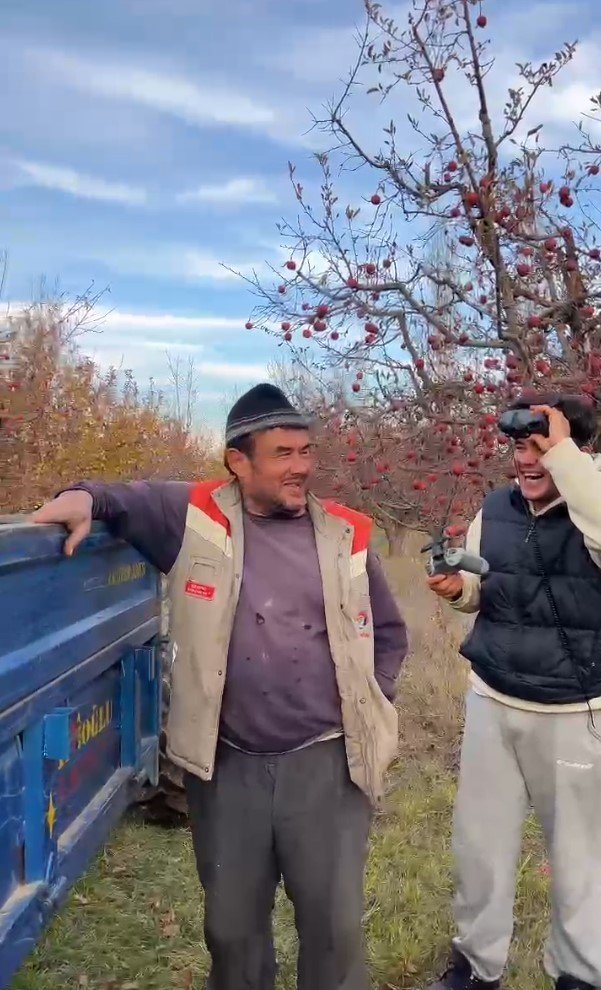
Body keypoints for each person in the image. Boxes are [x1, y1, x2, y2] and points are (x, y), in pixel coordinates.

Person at [32, 382, 408, 990]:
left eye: (306, 452)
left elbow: (389, 632)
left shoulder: (348, 533)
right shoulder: (192, 517)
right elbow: (117, 498)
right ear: (239, 460)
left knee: (333, 928)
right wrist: (79, 497)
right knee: (232, 932)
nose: (301, 467)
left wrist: (374, 702)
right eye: (283, 454)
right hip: (227, 765)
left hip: (327, 763)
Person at [426, 393, 601, 990]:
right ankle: (476, 968)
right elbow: (487, 589)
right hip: (494, 698)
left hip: (575, 709)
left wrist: (567, 460)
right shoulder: (496, 508)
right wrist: (458, 591)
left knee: (580, 858)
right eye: (518, 447)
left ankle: (580, 974)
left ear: (573, 448)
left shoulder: (591, 500)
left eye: (539, 447)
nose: (525, 460)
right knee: (479, 848)